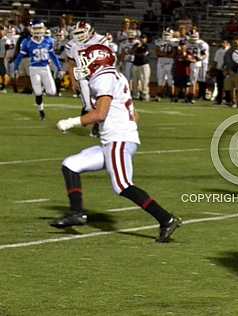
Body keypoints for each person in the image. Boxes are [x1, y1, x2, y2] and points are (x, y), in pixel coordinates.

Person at [53, 44, 181, 241]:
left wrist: (70, 122)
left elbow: (101, 113)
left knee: (122, 185)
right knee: (70, 165)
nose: (85, 64)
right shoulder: (115, 75)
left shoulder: (103, 77)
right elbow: (134, 115)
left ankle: (166, 219)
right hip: (114, 139)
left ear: (98, 60)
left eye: (88, 59)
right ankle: (77, 213)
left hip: (118, 140)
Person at [65, 20, 109, 136]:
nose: (79, 35)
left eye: (82, 32)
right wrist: (73, 81)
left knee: (100, 103)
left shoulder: (101, 40)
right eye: (77, 33)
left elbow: (108, 60)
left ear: (90, 31)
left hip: (99, 75)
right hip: (83, 75)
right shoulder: (72, 45)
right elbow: (71, 64)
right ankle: (89, 120)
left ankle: (96, 126)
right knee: (88, 105)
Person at [14, 20, 63, 120]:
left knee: (52, 92)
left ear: (44, 29)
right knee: (37, 92)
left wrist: (60, 68)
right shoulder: (27, 42)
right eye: (35, 28)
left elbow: (53, 56)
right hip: (34, 68)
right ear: (32, 30)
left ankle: (43, 88)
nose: (38, 31)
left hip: (45, 68)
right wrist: (15, 68)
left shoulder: (48, 41)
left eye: (39, 28)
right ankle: (41, 111)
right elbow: (19, 56)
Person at [155, 28, 177, 101]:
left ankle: (172, 95)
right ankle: (159, 95)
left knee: (171, 80)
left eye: (168, 34)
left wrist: (163, 54)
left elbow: (173, 54)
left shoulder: (174, 41)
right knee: (160, 80)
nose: (166, 36)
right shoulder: (159, 41)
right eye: (165, 34)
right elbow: (157, 53)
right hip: (161, 62)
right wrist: (167, 54)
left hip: (170, 63)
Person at [131, 34, 151, 101]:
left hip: (144, 64)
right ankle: (135, 95)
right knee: (135, 81)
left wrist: (137, 52)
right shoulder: (136, 45)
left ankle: (145, 95)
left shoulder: (146, 46)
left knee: (144, 80)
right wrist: (137, 46)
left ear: (146, 39)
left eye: (144, 38)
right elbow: (132, 51)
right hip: (136, 64)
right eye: (141, 38)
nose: (142, 39)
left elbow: (143, 54)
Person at [213, 39, 230, 105]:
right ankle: (219, 100)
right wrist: (213, 68)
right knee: (219, 85)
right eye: (222, 42)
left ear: (227, 43)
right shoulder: (218, 51)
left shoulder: (229, 51)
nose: (223, 44)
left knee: (227, 86)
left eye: (224, 42)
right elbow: (215, 61)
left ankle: (228, 100)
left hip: (227, 70)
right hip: (219, 69)